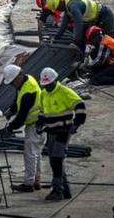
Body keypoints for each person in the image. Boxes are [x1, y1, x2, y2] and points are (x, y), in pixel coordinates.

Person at [36, 67, 86, 202]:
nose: (48, 87)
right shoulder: (44, 93)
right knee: (54, 160)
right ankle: (65, 189)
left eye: (50, 85)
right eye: (45, 85)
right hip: (51, 131)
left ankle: (58, 191)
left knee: (57, 159)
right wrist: (39, 123)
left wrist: (77, 123)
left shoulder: (65, 92)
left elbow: (80, 105)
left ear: (55, 81)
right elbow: (42, 110)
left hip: (63, 131)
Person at [0, 64, 43, 193]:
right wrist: (11, 110)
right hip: (37, 123)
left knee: (30, 154)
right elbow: (18, 98)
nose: (13, 85)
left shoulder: (29, 91)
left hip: (36, 124)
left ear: (19, 75)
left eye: (13, 82)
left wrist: (10, 128)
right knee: (36, 154)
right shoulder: (26, 80)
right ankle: (36, 181)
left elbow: (22, 117)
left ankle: (28, 184)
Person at [39, 0, 114, 51]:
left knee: (109, 41)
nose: (58, 11)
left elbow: (79, 25)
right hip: (96, 18)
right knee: (91, 41)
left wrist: (75, 42)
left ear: (59, 6)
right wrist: (56, 38)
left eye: (57, 9)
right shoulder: (66, 7)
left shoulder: (73, 7)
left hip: (105, 15)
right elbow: (63, 26)